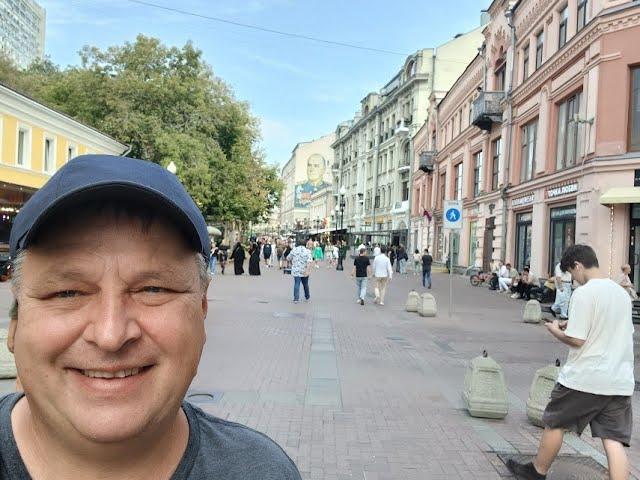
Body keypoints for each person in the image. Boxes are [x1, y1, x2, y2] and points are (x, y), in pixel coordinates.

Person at [2, 155, 301, 479]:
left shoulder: (262, 472)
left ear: (202, 309)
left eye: (153, 290)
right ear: (15, 324)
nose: (110, 335)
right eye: (67, 293)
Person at [507, 245, 634, 480]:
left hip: (585, 378)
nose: (573, 279)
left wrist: (556, 330)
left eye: (571, 273)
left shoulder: (584, 293)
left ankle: (537, 470)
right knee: (613, 440)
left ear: (578, 265)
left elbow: (577, 339)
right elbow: (607, 327)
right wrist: (571, 322)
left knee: (555, 422)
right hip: (619, 378)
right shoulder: (621, 293)